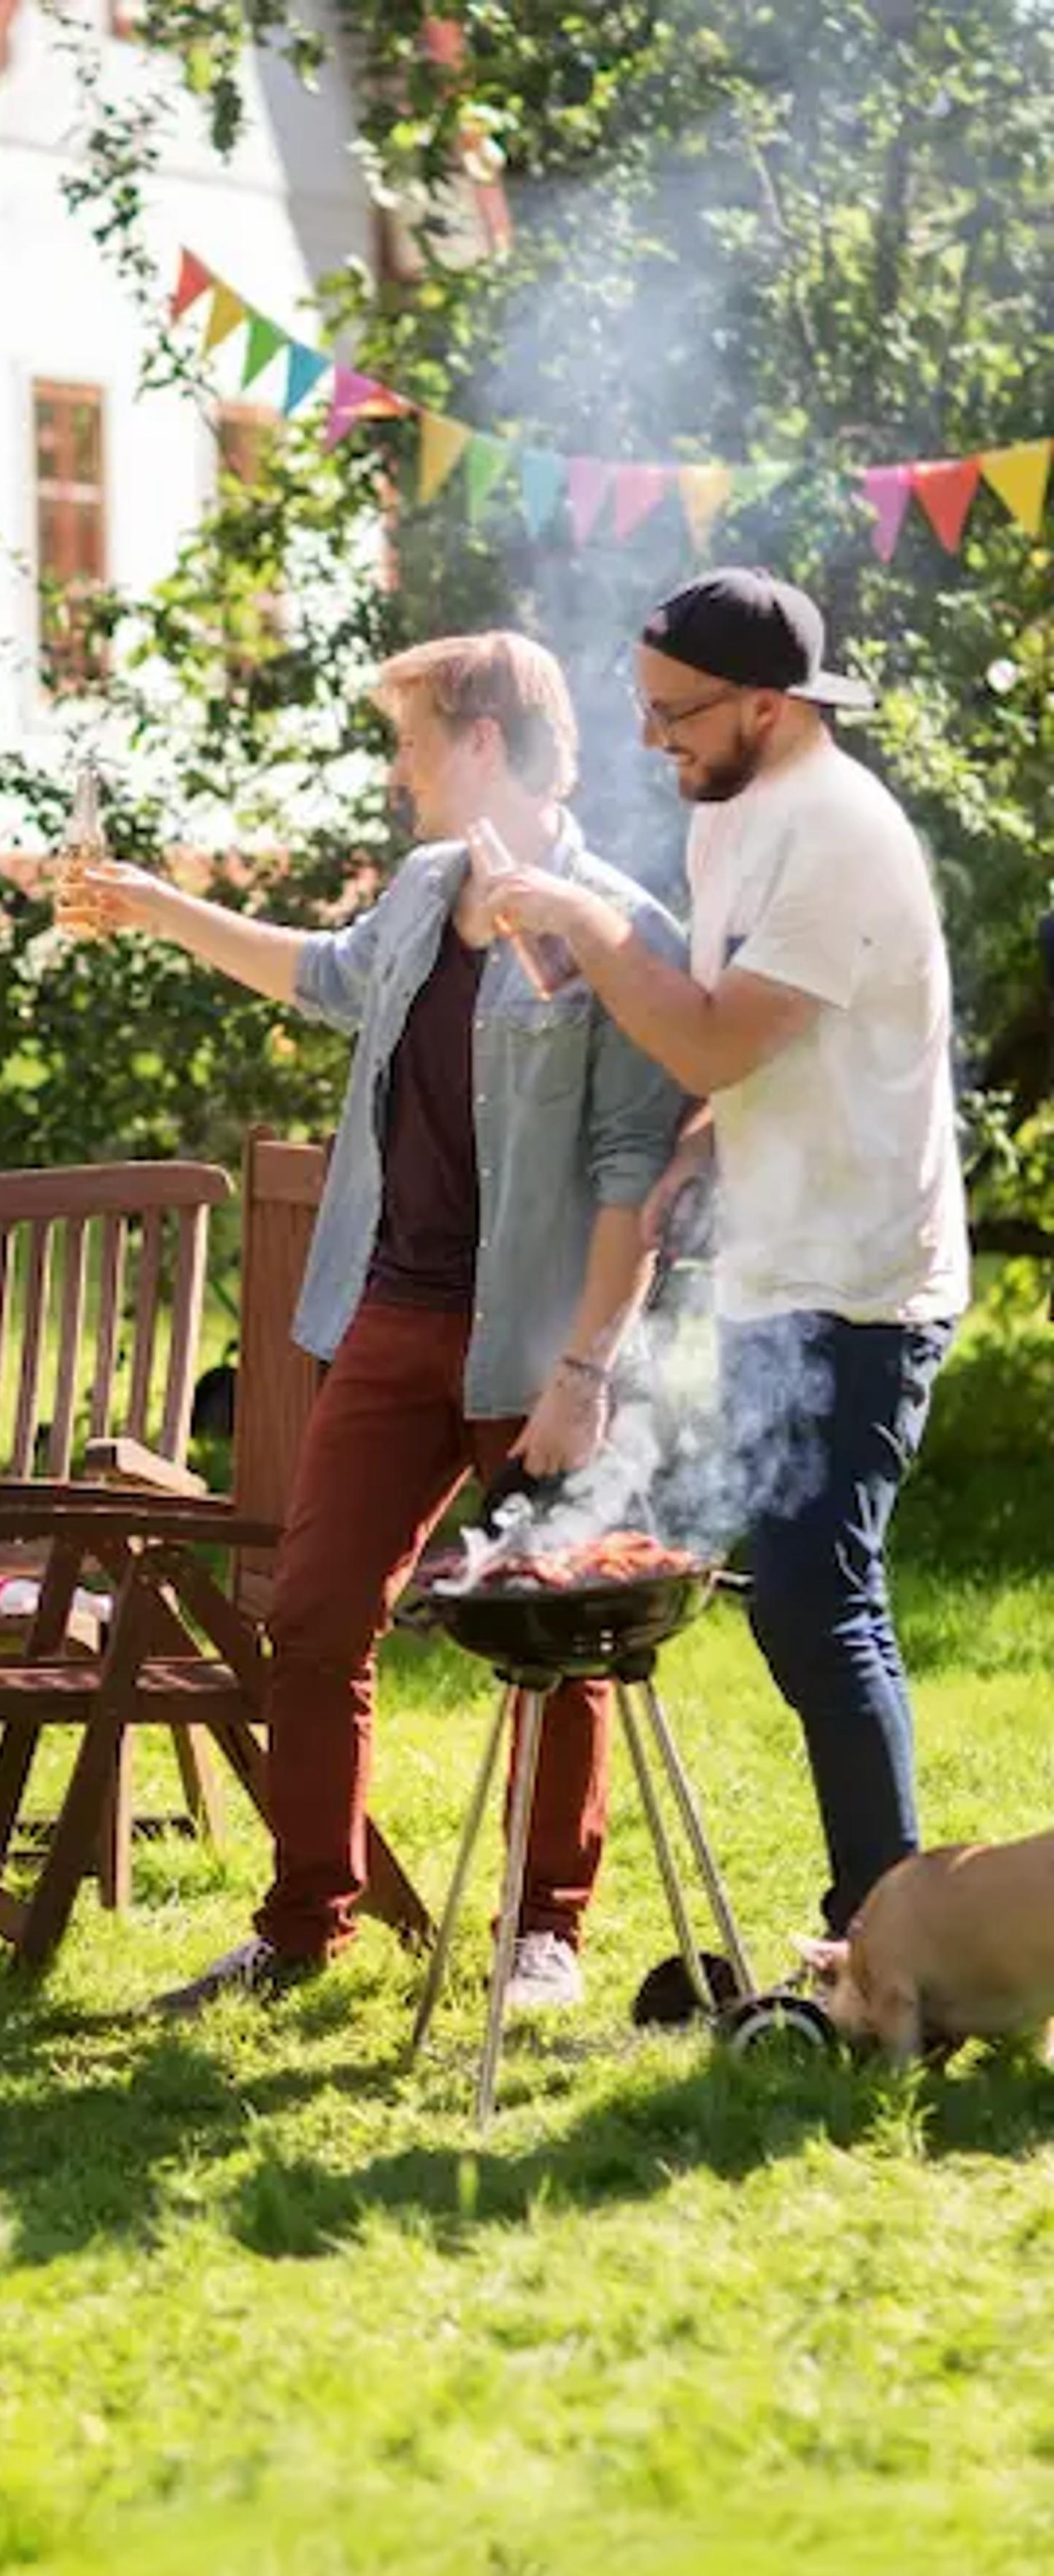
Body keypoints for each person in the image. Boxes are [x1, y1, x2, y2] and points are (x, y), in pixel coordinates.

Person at [57, 632, 690, 2016]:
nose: (397, 770)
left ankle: (544, 1932)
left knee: (554, 1631)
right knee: (320, 1614)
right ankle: (299, 1928)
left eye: (410, 740)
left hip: (537, 1340)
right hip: (394, 1315)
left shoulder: (620, 931)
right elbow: (324, 977)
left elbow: (635, 1174)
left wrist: (588, 1369)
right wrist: (157, 904)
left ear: (478, 738)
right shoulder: (422, 891)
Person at [480, 568, 968, 1938]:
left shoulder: (838, 836)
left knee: (820, 1596)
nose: (651, 742)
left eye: (674, 713)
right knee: (797, 1602)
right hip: (772, 1255)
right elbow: (720, 1038)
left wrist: (589, 922)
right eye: (641, 708)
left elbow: (698, 1029)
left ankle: (889, 1938)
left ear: (769, 704)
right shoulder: (733, 812)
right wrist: (692, 1146)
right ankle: (875, 1926)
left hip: (867, 1276)